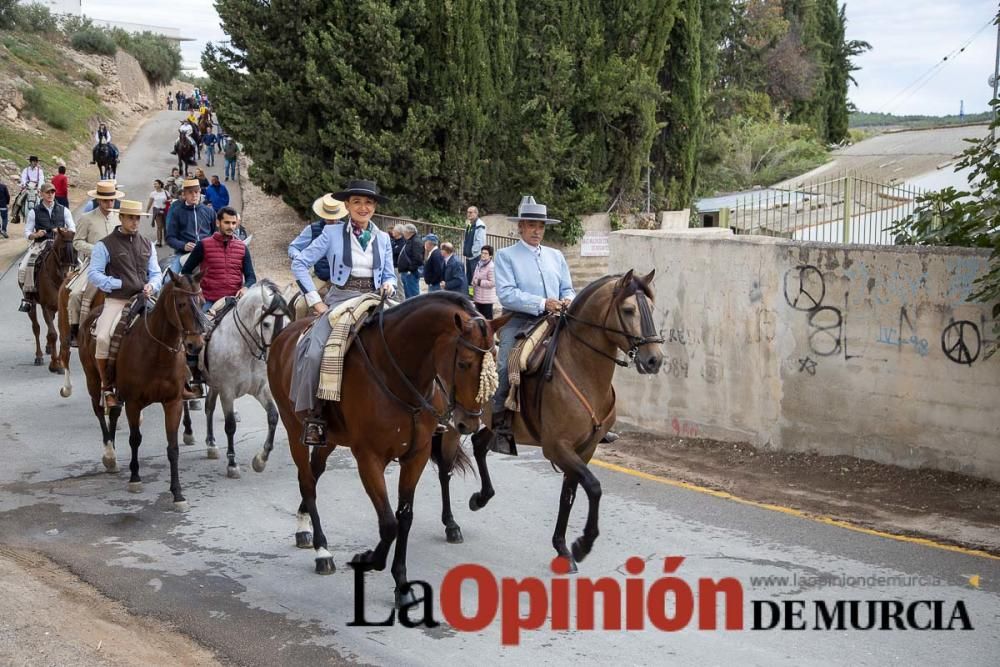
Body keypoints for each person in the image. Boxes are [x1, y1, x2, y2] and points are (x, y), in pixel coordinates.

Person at [290, 179, 396, 446]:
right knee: (315, 352)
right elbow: (300, 263)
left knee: (413, 335)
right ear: (347, 205)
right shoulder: (331, 233)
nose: (363, 207)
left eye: (368, 202)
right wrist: (316, 301)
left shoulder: (383, 238)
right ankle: (315, 416)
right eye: (357, 202)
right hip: (340, 299)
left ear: (374, 207)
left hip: (374, 298)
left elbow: (389, 274)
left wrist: (389, 284)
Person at [491, 196, 575, 449]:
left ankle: (591, 420)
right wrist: (542, 303)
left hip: (557, 318)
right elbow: (506, 294)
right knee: (506, 364)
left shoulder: (556, 255)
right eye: (531, 225)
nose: (536, 231)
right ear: (520, 227)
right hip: (519, 320)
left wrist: (568, 300)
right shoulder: (506, 256)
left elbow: (568, 288)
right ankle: (500, 422)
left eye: (540, 226)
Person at [88, 200, 161, 408]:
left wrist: (152, 285)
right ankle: (108, 387)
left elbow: (155, 272)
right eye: (131, 217)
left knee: (172, 326)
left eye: (138, 218)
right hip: (117, 301)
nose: (135, 222)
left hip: (144, 298)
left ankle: (180, 380)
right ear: (121, 218)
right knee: (102, 337)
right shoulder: (105, 244)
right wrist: (117, 283)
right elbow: (94, 273)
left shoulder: (148, 244)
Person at [67, 180, 124, 346]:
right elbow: (77, 242)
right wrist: (98, 251)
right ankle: (74, 330)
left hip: (118, 264)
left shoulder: (119, 218)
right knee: (76, 294)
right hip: (93, 264)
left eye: (112, 200)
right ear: (99, 200)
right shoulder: (87, 218)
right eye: (106, 200)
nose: (109, 203)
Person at [18, 182, 76, 312]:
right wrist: (35, 234)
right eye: (47, 192)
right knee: (24, 267)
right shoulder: (34, 212)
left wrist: (61, 230)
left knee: (79, 264)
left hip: (60, 243)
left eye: (52, 192)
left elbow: (72, 228)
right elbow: (27, 232)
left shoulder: (64, 210)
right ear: (41, 194)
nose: (50, 195)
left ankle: (79, 292)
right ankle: (28, 297)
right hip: (41, 243)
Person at [287, 194, 348, 297]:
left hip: (343, 280)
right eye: (329, 218)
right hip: (320, 278)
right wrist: (299, 257)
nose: (332, 221)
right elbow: (293, 247)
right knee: (301, 306)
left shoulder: (347, 230)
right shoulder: (312, 229)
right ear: (323, 214)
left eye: (335, 217)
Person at [165, 178, 216, 274]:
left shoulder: (209, 212)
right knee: (170, 280)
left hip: (208, 253)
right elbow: (170, 238)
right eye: (190, 192)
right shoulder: (177, 212)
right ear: (184, 194)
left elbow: (216, 234)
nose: (194, 195)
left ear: (200, 192)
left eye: (196, 192)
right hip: (183, 254)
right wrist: (183, 246)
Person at [395, 223, 424, 299]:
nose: (403, 233)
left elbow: (418, 258)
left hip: (410, 274)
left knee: (413, 296)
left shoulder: (416, 241)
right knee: (408, 296)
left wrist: (410, 270)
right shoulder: (410, 241)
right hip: (407, 273)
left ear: (409, 232)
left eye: (404, 231)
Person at [463, 205, 487, 287]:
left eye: (470, 212)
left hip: (475, 256)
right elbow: (467, 238)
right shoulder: (470, 224)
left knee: (475, 277)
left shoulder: (480, 225)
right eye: (467, 212)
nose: (468, 214)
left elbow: (479, 242)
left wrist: (473, 252)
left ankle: (476, 296)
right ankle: (470, 295)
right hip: (469, 256)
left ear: (476, 213)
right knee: (469, 277)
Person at [471, 245, 496, 318]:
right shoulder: (479, 263)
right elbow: (475, 275)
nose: (483, 255)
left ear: (490, 256)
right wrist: (473, 281)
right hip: (478, 297)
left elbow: (492, 283)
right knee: (479, 320)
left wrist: (478, 282)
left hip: (486, 299)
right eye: (482, 253)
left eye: (485, 253)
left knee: (487, 320)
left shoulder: (491, 267)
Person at [146, 179, 169, 247]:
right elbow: (150, 203)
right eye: (154, 184)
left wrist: (167, 201)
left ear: (160, 184)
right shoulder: (153, 193)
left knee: (165, 226)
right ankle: (159, 241)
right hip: (157, 211)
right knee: (159, 226)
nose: (154, 185)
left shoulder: (166, 192)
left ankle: (166, 240)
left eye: (156, 184)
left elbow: (170, 200)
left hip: (165, 210)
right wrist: (147, 210)